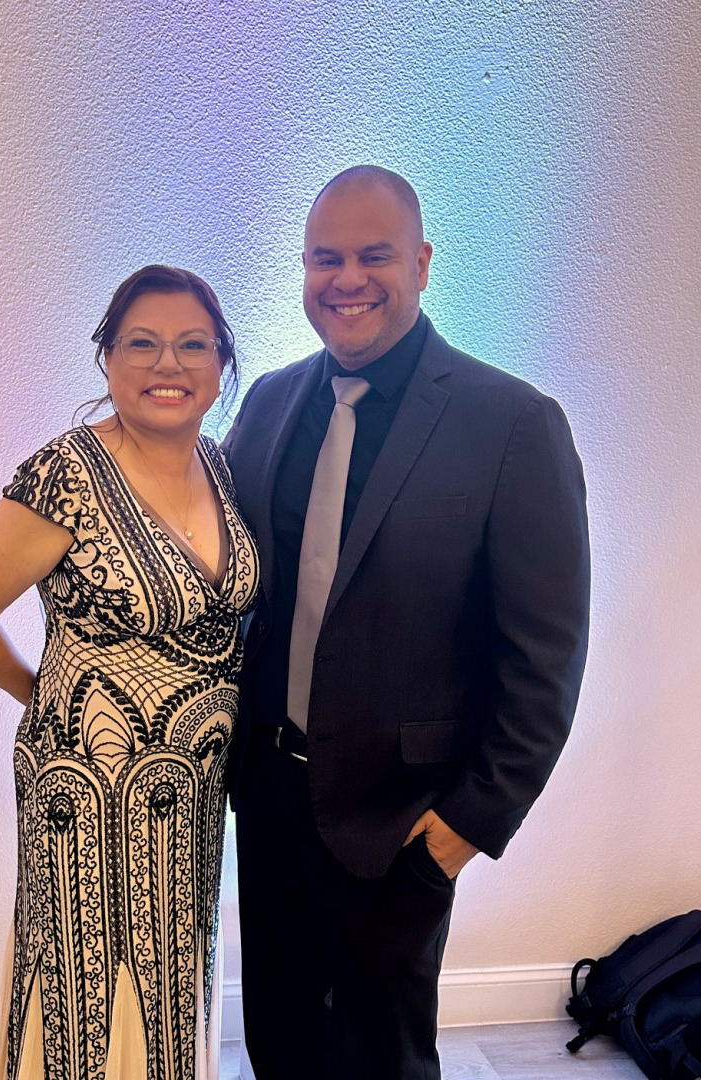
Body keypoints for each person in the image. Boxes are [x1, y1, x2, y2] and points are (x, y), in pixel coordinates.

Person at [223, 166, 591, 1080]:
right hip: (267, 801)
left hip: (398, 822)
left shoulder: (512, 423)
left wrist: (466, 825)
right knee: (278, 1042)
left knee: (382, 1058)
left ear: (421, 264)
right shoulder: (266, 403)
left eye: (374, 256)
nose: (346, 279)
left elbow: (544, 658)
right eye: (325, 258)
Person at [0, 265, 259, 1080]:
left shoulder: (219, 466)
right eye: (141, 343)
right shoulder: (64, 474)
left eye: (192, 345)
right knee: (85, 981)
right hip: (86, 791)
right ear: (106, 358)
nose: (167, 364)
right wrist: (48, 699)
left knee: (172, 971)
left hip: (192, 788)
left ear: (221, 362)